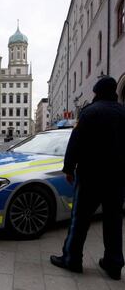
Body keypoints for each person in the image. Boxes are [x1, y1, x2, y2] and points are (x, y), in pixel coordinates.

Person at [50, 76, 125, 280]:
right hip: (117, 179)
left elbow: (75, 142)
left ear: (97, 92)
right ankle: (114, 264)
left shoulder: (89, 112)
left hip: (91, 176)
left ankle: (72, 259)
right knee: (113, 221)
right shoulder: (123, 112)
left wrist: (68, 168)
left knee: (80, 220)